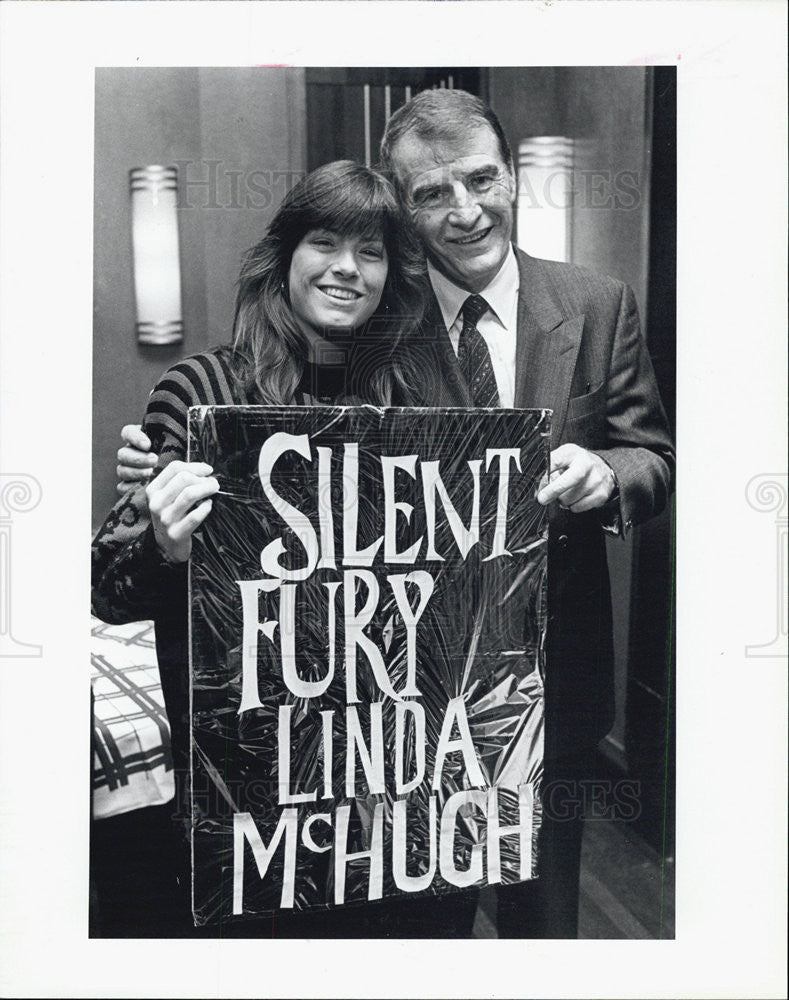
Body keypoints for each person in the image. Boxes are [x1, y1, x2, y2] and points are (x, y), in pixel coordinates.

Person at [113, 88, 676, 938]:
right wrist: (157, 484)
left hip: (549, 677)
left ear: (511, 176)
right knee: (407, 909)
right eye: (429, 194)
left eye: (481, 180)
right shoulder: (377, 328)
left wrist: (607, 471)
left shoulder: (597, 301)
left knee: (543, 919)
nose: (464, 211)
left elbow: (655, 457)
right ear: (405, 216)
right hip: (387, 702)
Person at [92, 158, 480, 938]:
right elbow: (107, 587)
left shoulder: (424, 402)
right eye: (325, 243)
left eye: (370, 252)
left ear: (390, 275)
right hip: (248, 787)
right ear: (285, 257)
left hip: (391, 777)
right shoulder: (200, 390)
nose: (347, 269)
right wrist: (166, 545)